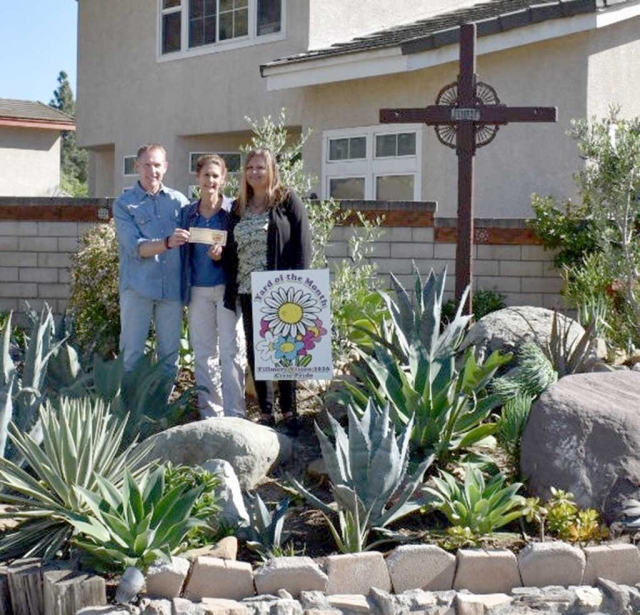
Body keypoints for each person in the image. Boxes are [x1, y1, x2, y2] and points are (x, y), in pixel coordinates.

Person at [225, 148, 311, 435]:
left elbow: (302, 245)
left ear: (271, 169)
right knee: (257, 352)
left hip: (280, 288)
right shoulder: (239, 207)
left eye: (260, 167)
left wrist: (297, 287)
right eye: (250, 168)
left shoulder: (287, 201)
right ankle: (266, 411)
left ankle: (289, 411)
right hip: (249, 288)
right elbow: (230, 248)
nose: (255, 173)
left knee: (284, 350)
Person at [113, 143, 189, 375]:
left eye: (157, 165)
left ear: (165, 167)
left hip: (171, 292)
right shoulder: (124, 204)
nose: (152, 170)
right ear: (137, 166)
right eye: (147, 164)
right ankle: (128, 408)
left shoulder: (179, 202)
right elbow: (136, 248)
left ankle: (162, 409)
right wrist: (166, 242)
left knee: (170, 358)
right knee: (131, 355)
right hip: (138, 289)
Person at [181, 154, 246, 419]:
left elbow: (244, 247)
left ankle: (235, 414)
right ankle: (211, 414)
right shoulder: (187, 214)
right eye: (206, 175)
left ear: (224, 180)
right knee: (204, 352)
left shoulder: (234, 211)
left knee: (232, 350)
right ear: (198, 178)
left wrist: (225, 253)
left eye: (216, 176)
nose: (211, 180)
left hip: (226, 289)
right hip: (197, 290)